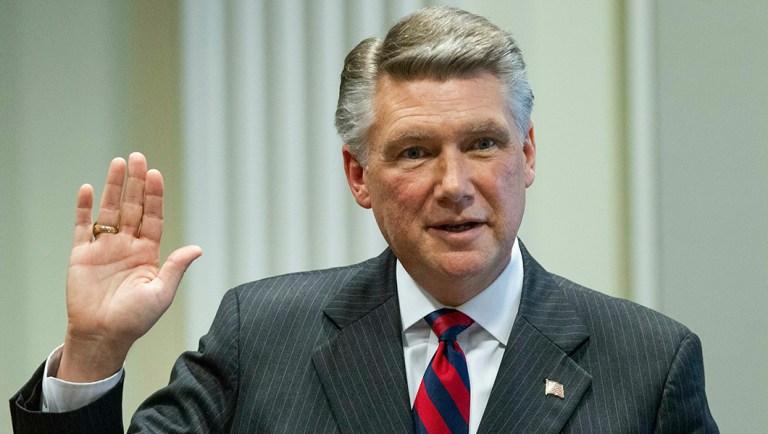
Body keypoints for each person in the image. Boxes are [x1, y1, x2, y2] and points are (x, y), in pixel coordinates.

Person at [10, 6, 717, 433]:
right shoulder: (260, 339)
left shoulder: (649, 366)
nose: (455, 185)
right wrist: (94, 353)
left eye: (482, 144)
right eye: (414, 151)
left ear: (525, 154)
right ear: (359, 176)